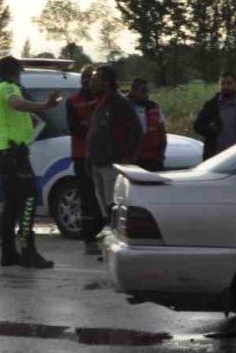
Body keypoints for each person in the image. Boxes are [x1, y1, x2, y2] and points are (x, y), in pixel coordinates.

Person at [0, 56, 62, 269]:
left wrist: (4, 132)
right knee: (28, 200)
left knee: (10, 204)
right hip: (14, 153)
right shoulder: (9, 88)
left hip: (2, 151)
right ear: (15, 72)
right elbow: (16, 104)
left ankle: (8, 254)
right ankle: (28, 251)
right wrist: (45, 105)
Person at [85, 65, 142, 236]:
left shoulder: (120, 103)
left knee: (114, 206)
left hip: (112, 164)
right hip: (97, 163)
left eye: (95, 80)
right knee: (105, 209)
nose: (91, 83)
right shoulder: (100, 103)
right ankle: (111, 239)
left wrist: (128, 157)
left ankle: (118, 241)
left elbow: (136, 131)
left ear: (106, 82)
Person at [65, 65, 103, 255]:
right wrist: (94, 125)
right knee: (87, 197)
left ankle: (103, 233)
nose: (87, 80)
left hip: (102, 154)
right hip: (81, 155)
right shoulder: (73, 101)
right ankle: (89, 239)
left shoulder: (104, 99)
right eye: (84, 77)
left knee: (103, 197)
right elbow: (75, 128)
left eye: (91, 77)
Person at [194, 72, 236, 160]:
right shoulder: (210, 105)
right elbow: (198, 126)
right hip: (215, 157)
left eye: (229, 83)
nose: (225, 87)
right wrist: (211, 129)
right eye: (222, 83)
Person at [128, 77, 168, 172]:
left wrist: (161, 155)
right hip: (134, 160)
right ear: (133, 92)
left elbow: (162, 132)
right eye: (143, 92)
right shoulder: (125, 108)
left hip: (153, 159)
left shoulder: (154, 107)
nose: (146, 95)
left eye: (147, 91)